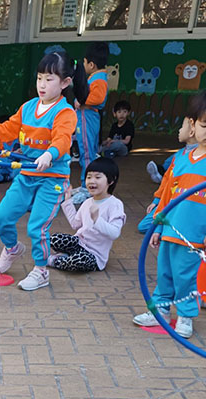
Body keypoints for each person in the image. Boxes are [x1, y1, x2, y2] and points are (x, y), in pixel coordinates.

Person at [0, 47, 82, 291]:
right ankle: (12, 249)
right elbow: (7, 129)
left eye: (49, 79)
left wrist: (50, 154)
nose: (42, 84)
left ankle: (41, 271)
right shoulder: (28, 107)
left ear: (65, 83)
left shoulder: (66, 112)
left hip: (53, 178)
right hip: (27, 174)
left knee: (37, 227)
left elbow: (62, 139)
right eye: (39, 78)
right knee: (1, 216)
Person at [133, 92, 206, 340]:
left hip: (194, 235)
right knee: (164, 273)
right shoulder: (180, 159)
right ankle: (160, 311)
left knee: (185, 277)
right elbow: (166, 194)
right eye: (205, 125)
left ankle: (185, 315)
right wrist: (157, 226)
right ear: (193, 125)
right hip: (170, 229)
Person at [48, 157, 125, 274]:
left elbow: (114, 233)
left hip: (95, 255)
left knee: (79, 261)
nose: (91, 181)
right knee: (54, 239)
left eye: (97, 177)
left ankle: (57, 261)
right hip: (79, 243)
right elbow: (75, 224)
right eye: (89, 177)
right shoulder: (88, 202)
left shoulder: (115, 204)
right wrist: (67, 201)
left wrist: (96, 220)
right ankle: (67, 256)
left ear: (111, 180)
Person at [138, 115, 196, 235]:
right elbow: (167, 180)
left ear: (192, 131)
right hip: (168, 200)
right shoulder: (179, 154)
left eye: (182, 127)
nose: (179, 130)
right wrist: (157, 200)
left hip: (185, 204)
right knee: (144, 226)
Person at [75, 41, 108, 182]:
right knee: (88, 150)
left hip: (87, 117)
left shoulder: (98, 79)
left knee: (87, 151)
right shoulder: (96, 78)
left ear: (91, 64)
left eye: (84, 62)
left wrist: (82, 101)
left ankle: (86, 184)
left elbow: (98, 98)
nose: (83, 65)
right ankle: (89, 182)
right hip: (87, 116)